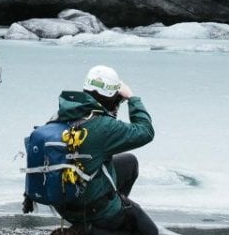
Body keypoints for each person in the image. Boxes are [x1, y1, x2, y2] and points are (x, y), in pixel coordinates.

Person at [49, 65, 159, 235]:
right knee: (149, 231)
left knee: (129, 163)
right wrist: (131, 97)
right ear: (111, 96)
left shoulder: (64, 114)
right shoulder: (104, 126)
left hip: (64, 202)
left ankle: (99, 218)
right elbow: (145, 131)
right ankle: (93, 227)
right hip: (88, 208)